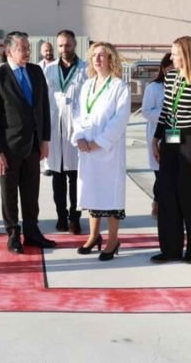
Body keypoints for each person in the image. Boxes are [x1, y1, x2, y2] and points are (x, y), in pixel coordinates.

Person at [0, 31, 54, 254]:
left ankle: (32, 232)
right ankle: (13, 234)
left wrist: (45, 139)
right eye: (22, 48)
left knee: (31, 192)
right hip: (8, 148)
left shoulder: (36, 72)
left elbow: (44, 107)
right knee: (9, 194)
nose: (27, 52)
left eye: (28, 48)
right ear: (9, 51)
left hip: (33, 146)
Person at [151, 36, 191, 264]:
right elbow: (166, 110)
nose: (172, 57)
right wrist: (156, 138)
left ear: (187, 55)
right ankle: (170, 248)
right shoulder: (170, 78)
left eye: (176, 53)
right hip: (171, 139)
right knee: (167, 194)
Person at [72, 42, 131, 261]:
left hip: (108, 151)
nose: (97, 59)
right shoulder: (87, 85)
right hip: (86, 149)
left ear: (111, 59)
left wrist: (99, 141)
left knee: (111, 196)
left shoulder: (119, 87)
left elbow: (120, 119)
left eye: (102, 55)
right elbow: (77, 113)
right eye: (94, 55)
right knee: (91, 191)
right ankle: (93, 236)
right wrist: (78, 137)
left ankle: (113, 240)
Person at [44, 30, 88, 234]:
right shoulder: (49, 69)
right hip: (55, 129)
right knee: (57, 177)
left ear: (75, 44)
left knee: (75, 176)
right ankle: (61, 216)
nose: (64, 49)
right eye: (60, 46)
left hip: (75, 129)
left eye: (67, 45)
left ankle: (74, 217)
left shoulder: (85, 69)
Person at [141, 53, 173, 218]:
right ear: (163, 68)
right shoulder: (154, 87)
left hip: (174, 133)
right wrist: (167, 114)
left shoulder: (183, 85)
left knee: (170, 169)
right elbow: (146, 112)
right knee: (160, 171)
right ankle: (158, 201)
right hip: (157, 133)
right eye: (170, 68)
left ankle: (166, 202)